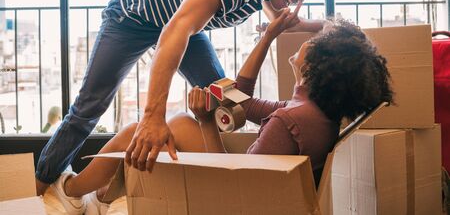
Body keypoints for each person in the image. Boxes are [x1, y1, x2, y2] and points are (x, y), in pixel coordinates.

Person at [36, 0, 328, 195]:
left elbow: (277, 14)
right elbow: (175, 31)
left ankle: (160, 184)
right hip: (135, 15)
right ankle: (39, 189)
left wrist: (325, 25)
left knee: (227, 101)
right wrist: (153, 117)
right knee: (89, 107)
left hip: (178, 19)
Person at [50, 15, 393, 215]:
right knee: (173, 125)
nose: (307, 39)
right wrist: (271, 35)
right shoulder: (311, 111)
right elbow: (241, 98)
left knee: (157, 128)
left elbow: (233, 186)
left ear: (322, 63)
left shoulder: (290, 121)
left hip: (234, 204)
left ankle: (73, 194)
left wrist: (205, 121)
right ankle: (99, 197)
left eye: (315, 40)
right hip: (263, 196)